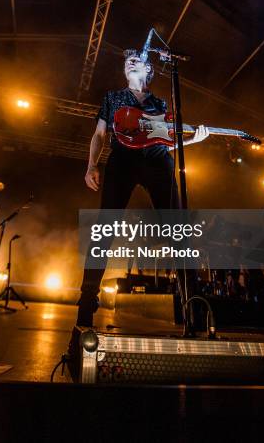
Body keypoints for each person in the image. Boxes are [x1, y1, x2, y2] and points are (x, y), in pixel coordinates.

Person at [76, 49, 209, 327]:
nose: (130, 62)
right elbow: (100, 134)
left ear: (149, 70)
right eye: (127, 62)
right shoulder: (112, 98)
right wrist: (91, 165)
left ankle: (193, 308)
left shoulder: (160, 103)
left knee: (178, 231)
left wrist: (193, 141)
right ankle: (87, 300)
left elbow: (163, 142)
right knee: (105, 228)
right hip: (122, 159)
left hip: (157, 161)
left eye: (136, 60)